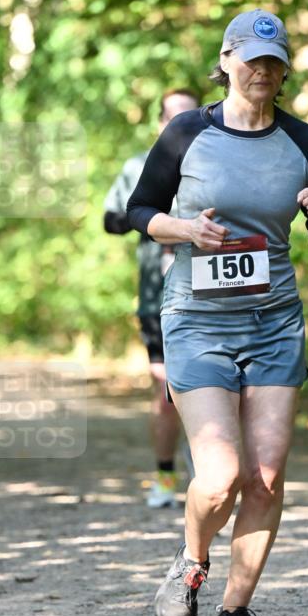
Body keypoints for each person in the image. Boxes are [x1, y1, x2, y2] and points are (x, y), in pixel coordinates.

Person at [126, 9, 308, 616]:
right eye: (252, 60)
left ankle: (235, 612)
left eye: (274, 62)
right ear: (226, 61)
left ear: (285, 72)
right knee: (221, 474)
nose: (262, 71)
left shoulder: (306, 144)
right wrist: (184, 229)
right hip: (196, 319)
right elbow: (140, 210)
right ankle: (192, 559)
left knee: (267, 476)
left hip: (274, 321)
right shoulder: (186, 132)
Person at [103, 89, 199, 507]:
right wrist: (154, 219)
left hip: (216, 296)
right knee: (166, 392)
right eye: (172, 117)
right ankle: (164, 478)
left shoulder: (221, 161)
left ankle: (209, 474)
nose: (180, 124)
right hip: (156, 297)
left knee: (218, 391)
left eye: (189, 115)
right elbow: (110, 220)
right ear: (160, 122)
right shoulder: (138, 166)